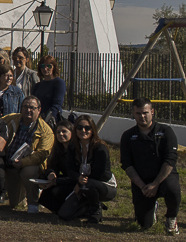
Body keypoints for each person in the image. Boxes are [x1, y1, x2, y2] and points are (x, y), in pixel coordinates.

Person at [120, 98, 180, 234]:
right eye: (138, 113)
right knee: (144, 225)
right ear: (133, 114)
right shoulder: (128, 136)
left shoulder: (166, 131)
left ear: (152, 112)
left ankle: (171, 218)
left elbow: (170, 160)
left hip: (163, 178)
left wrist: (156, 183)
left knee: (173, 190)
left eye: (145, 112)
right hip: (142, 181)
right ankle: (151, 208)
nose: (142, 116)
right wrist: (142, 186)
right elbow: (127, 164)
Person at [40, 117, 116, 223]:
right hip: (81, 183)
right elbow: (70, 169)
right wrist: (78, 179)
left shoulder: (100, 147)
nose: (83, 131)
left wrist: (80, 183)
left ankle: (95, 211)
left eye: (87, 128)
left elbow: (100, 174)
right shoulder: (73, 147)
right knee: (63, 215)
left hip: (103, 185)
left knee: (89, 184)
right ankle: (87, 207)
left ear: (92, 129)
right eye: (79, 127)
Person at [2, 96, 55, 213]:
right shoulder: (10, 119)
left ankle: (33, 203)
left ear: (39, 110)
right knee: (14, 203)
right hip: (9, 164)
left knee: (29, 171)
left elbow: (42, 153)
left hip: (28, 165)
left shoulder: (46, 131)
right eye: (25, 106)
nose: (28, 110)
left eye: (32, 107)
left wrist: (23, 163)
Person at [32, 55, 66, 124]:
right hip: (37, 120)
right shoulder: (37, 86)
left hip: (51, 121)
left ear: (54, 67)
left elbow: (57, 104)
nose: (45, 68)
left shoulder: (59, 83)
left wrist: (46, 119)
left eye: (49, 66)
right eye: (42, 66)